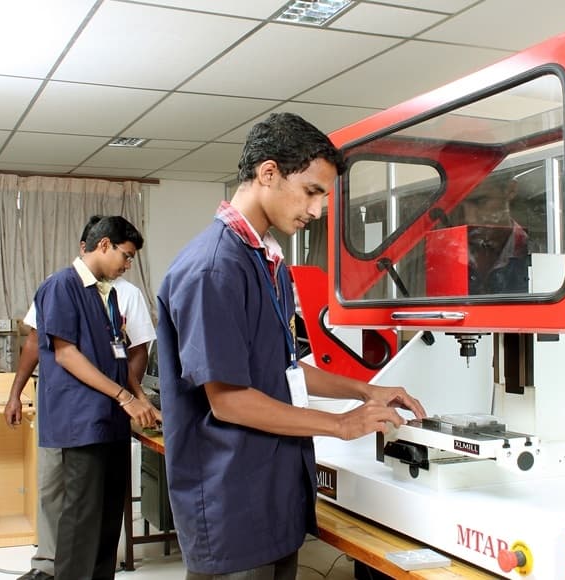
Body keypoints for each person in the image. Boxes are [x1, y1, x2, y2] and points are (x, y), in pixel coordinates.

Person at [157, 112, 426, 579]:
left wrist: (367, 392)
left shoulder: (268, 262)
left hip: (271, 494)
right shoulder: (214, 269)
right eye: (311, 191)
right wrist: (340, 425)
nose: (317, 210)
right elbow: (230, 401)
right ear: (268, 173)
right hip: (231, 503)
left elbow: (283, 368)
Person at [5, 216, 158, 580]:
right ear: (103, 245)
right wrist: (125, 397)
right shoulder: (61, 286)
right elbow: (66, 354)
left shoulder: (105, 293)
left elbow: (120, 353)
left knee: (108, 518)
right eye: (126, 254)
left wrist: (141, 397)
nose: (128, 264)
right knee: (81, 519)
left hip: (110, 422)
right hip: (82, 421)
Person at [455, 173, 529, 294]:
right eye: (459, 206)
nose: (469, 218)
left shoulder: (533, 249)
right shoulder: (449, 254)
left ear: (511, 190)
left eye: (481, 201)